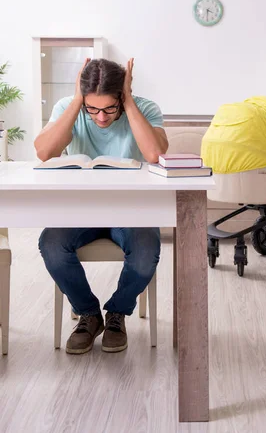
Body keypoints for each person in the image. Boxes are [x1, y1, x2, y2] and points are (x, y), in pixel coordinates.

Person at [35, 57, 168, 354]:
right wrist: (76, 103)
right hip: (81, 210)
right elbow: (44, 152)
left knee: (146, 249)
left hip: (132, 211)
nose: (101, 117)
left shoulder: (144, 108)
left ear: (121, 96)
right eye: (92, 109)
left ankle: (117, 313)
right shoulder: (70, 107)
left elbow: (155, 154)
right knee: (51, 244)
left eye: (110, 108)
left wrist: (129, 102)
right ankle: (89, 314)